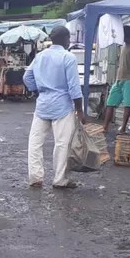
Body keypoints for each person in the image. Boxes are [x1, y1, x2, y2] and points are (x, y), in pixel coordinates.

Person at [24, 26, 85, 189]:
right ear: (65, 39)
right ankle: (59, 179)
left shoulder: (40, 56)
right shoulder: (68, 57)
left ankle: (35, 178)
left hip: (43, 105)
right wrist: (80, 110)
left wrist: (38, 91)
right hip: (62, 107)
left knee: (35, 142)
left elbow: (27, 77)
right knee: (62, 144)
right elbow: (74, 86)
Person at [102, 26, 130, 133]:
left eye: (123, 35)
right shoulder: (123, 45)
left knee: (127, 104)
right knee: (110, 102)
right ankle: (105, 127)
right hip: (119, 78)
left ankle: (123, 128)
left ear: (128, 34)